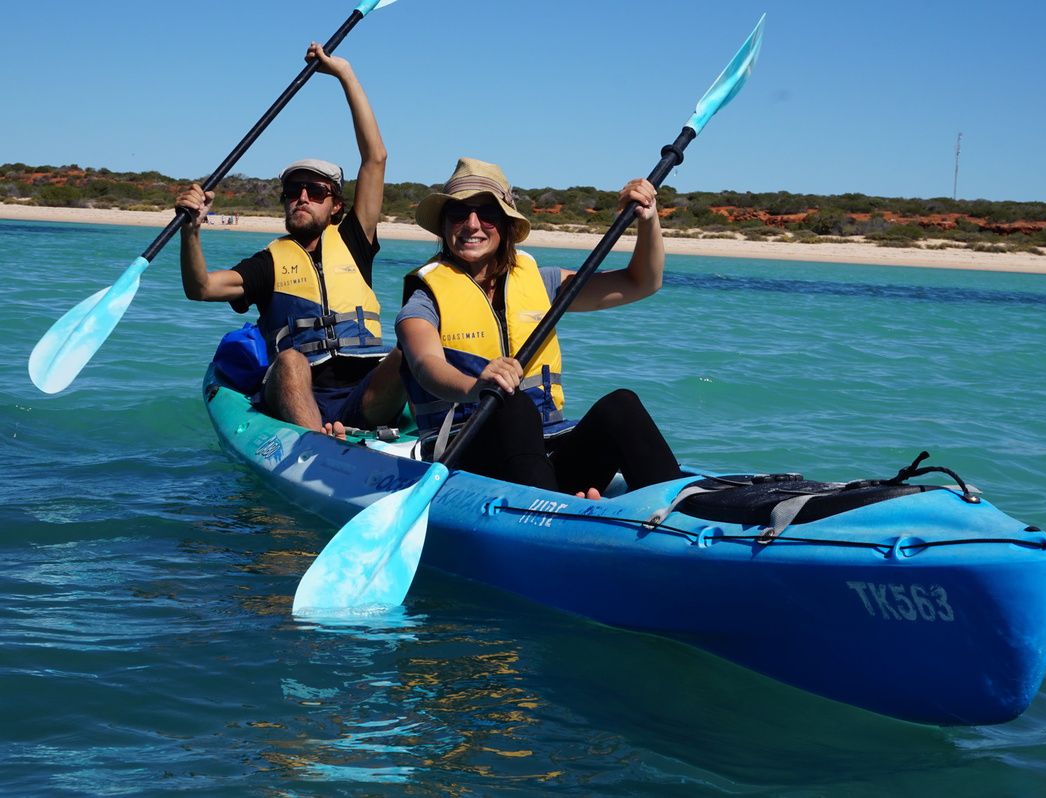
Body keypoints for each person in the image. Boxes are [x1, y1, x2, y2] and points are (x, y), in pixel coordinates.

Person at [396, 157, 683, 498]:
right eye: (459, 213)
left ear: (504, 223)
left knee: (621, 406)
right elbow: (425, 365)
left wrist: (648, 221)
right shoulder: (424, 298)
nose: (472, 224)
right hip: (466, 459)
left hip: (545, 455)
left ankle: (683, 514)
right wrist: (476, 387)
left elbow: (642, 282)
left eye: (487, 213)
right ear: (444, 225)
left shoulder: (541, 282)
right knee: (510, 403)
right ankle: (549, 515)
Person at [175, 43, 405, 436]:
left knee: (411, 350)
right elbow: (200, 288)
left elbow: (375, 157)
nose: (302, 197)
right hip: (299, 396)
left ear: (336, 206)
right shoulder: (267, 264)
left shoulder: (354, 239)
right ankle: (318, 447)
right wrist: (191, 229)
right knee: (293, 360)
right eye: (294, 190)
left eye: (315, 191)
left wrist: (344, 74)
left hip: (364, 394)